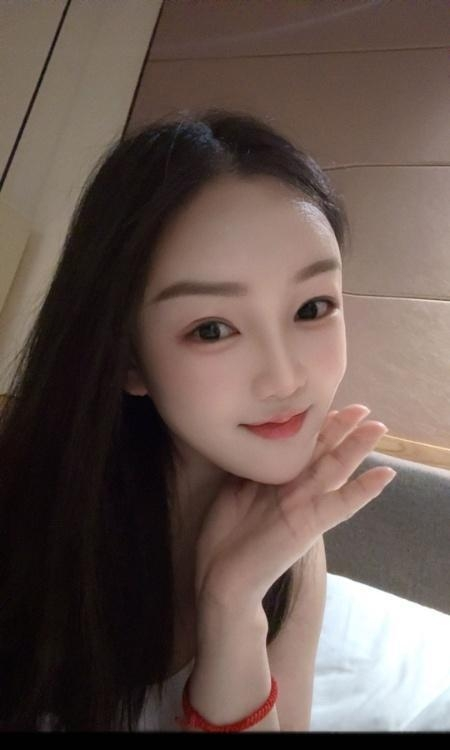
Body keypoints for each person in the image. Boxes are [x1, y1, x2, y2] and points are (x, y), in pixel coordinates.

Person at [0, 108, 396, 732]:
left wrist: (232, 610)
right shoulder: (22, 510)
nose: (285, 379)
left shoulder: (291, 540)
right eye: (212, 329)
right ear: (129, 359)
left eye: (312, 307)